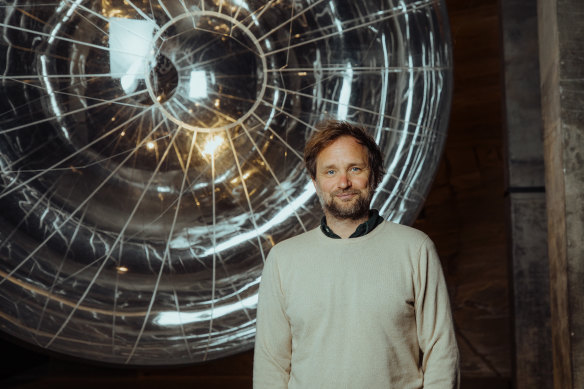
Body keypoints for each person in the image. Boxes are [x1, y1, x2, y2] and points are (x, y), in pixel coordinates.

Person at [253, 120, 459, 388]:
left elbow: (441, 352)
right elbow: (272, 365)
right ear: (315, 182)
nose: (344, 182)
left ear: (373, 175)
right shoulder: (283, 259)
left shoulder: (416, 249)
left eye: (355, 168)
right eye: (330, 172)